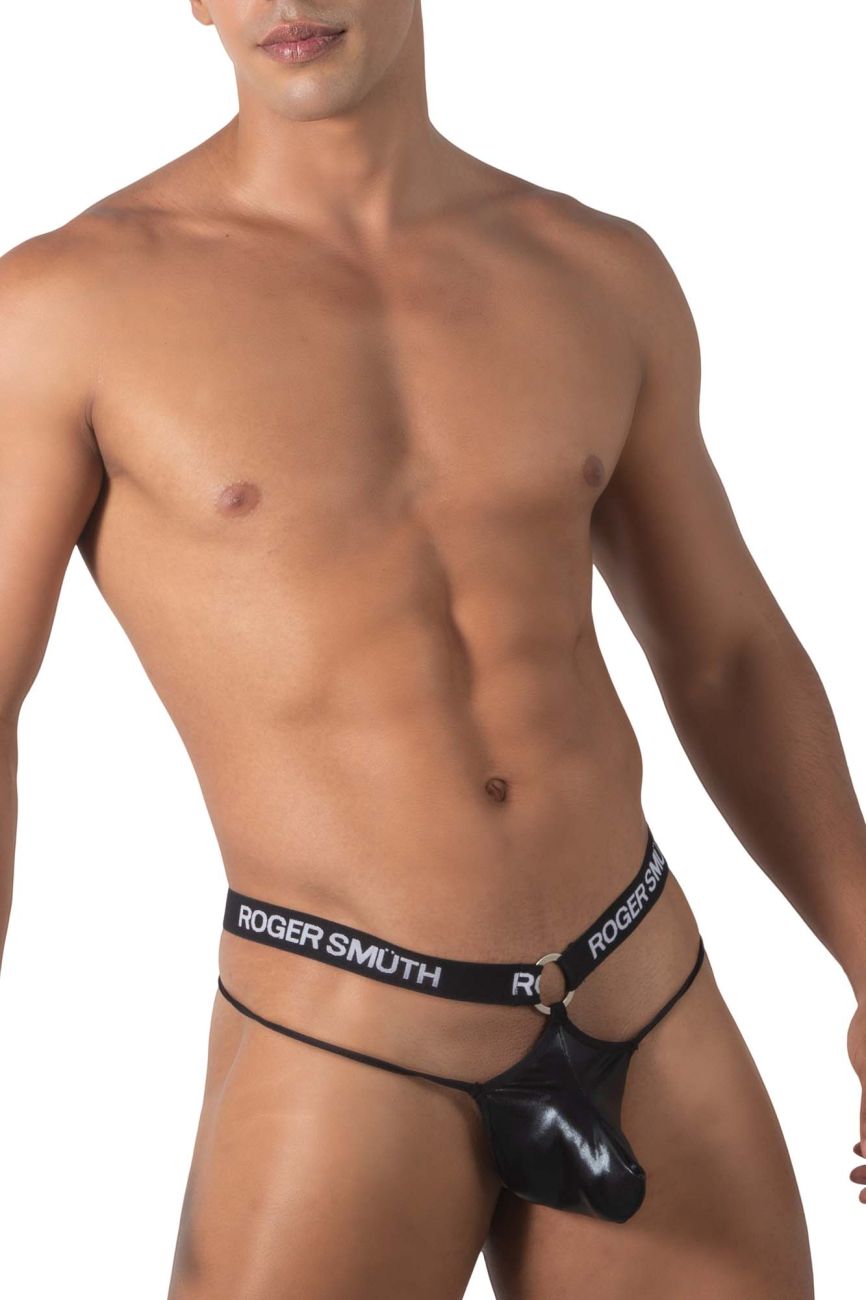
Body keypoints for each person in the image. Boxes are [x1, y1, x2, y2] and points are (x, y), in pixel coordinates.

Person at [0, 2, 862, 1296]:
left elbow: (724, 653)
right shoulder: (68, 306)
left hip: (640, 983)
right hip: (343, 1030)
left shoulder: (593, 270)